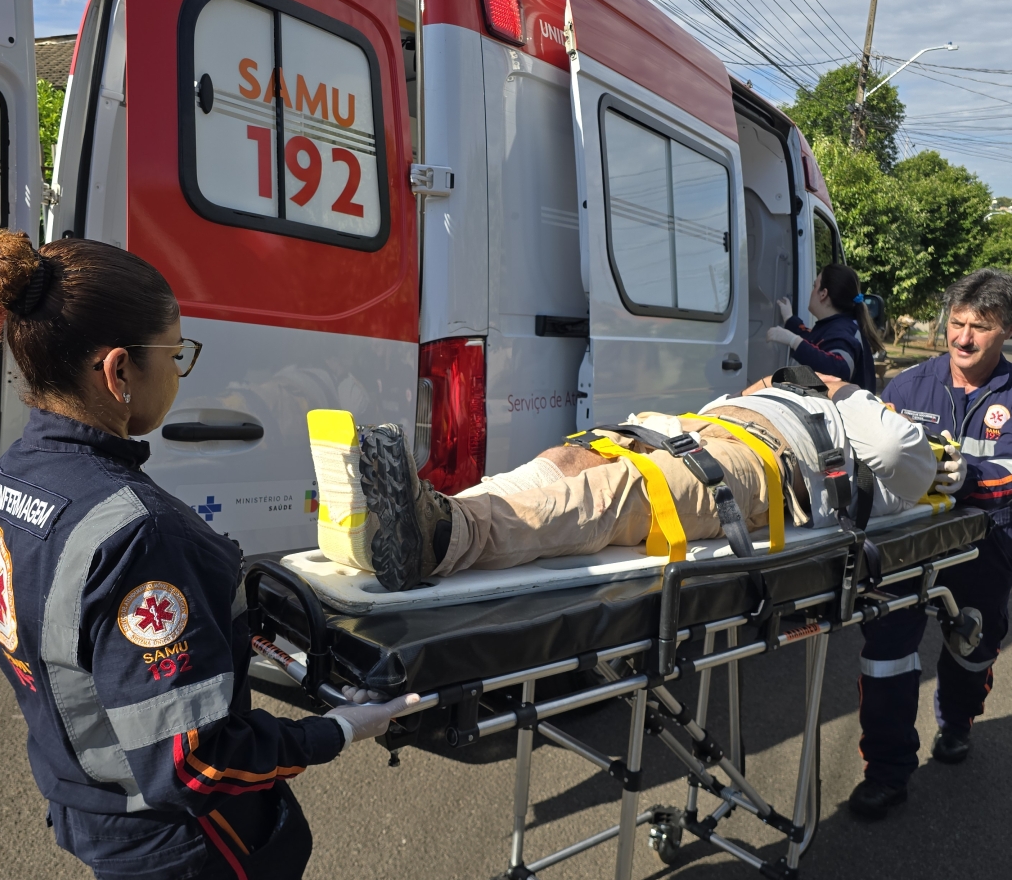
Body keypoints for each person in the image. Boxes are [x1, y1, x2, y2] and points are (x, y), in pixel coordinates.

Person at [0, 230, 417, 880]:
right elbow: (196, 764)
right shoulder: (138, 534)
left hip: (81, 791)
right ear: (118, 371)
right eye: (176, 355)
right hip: (174, 827)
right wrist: (338, 731)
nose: (180, 372)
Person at [308, 367, 939, 592]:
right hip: (695, 426)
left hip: (766, 465)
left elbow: (895, 448)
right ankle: (411, 518)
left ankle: (445, 539)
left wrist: (839, 387)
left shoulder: (878, 427)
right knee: (566, 461)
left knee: (629, 493)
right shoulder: (819, 398)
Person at [850, 268, 1012, 819]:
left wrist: (971, 476)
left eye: (980, 327)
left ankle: (957, 721)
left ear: (1006, 330)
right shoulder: (906, 386)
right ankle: (887, 771)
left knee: (973, 646)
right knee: (887, 656)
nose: (963, 338)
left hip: (987, 544)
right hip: (906, 547)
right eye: (957, 323)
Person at [767, 264, 881, 393]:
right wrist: (789, 319)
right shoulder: (836, 326)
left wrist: (794, 341)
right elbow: (812, 340)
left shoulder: (844, 331)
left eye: (814, 286)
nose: (812, 291)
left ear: (823, 294)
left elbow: (839, 368)